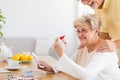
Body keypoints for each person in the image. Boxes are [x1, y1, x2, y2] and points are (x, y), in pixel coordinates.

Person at [37, 14, 120, 80]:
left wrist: (61, 54)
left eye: (84, 30)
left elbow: (87, 76)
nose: (80, 35)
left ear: (96, 31)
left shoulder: (104, 50)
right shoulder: (83, 47)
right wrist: (52, 68)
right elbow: (71, 63)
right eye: (78, 31)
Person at [81, 0, 120, 66]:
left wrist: (116, 44)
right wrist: (92, 43)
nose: (84, 3)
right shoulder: (97, 9)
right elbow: (106, 33)